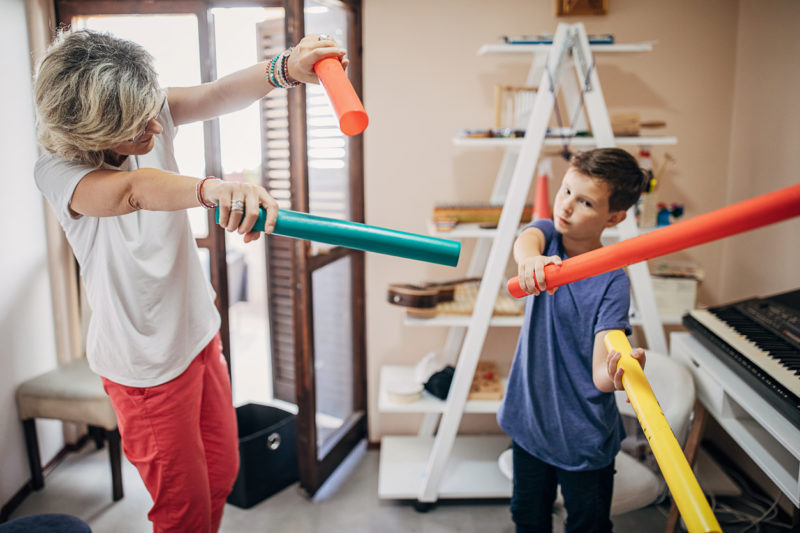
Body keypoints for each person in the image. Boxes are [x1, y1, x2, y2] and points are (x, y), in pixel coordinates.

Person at [33, 28, 347, 532]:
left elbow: (214, 94)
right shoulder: (58, 171)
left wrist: (286, 67)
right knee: (183, 513)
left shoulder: (146, 112)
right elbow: (133, 189)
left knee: (222, 475)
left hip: (198, 334)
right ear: (91, 133)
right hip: (146, 369)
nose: (157, 125)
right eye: (139, 125)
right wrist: (215, 188)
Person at [497, 148, 648, 533]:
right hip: (530, 421)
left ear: (614, 217)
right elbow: (525, 240)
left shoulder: (612, 280)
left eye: (584, 202)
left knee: (588, 525)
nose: (565, 207)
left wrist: (617, 372)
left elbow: (600, 373)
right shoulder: (547, 239)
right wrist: (530, 260)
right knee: (527, 518)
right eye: (566, 192)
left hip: (582, 437)